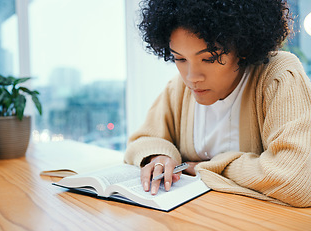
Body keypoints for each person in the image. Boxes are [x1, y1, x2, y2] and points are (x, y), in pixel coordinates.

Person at [124, 0, 311, 207]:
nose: (192, 77)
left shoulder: (278, 75)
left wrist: (207, 167)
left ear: (243, 47)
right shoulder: (179, 88)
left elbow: (297, 180)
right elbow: (142, 140)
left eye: (209, 58)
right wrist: (159, 156)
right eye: (180, 59)